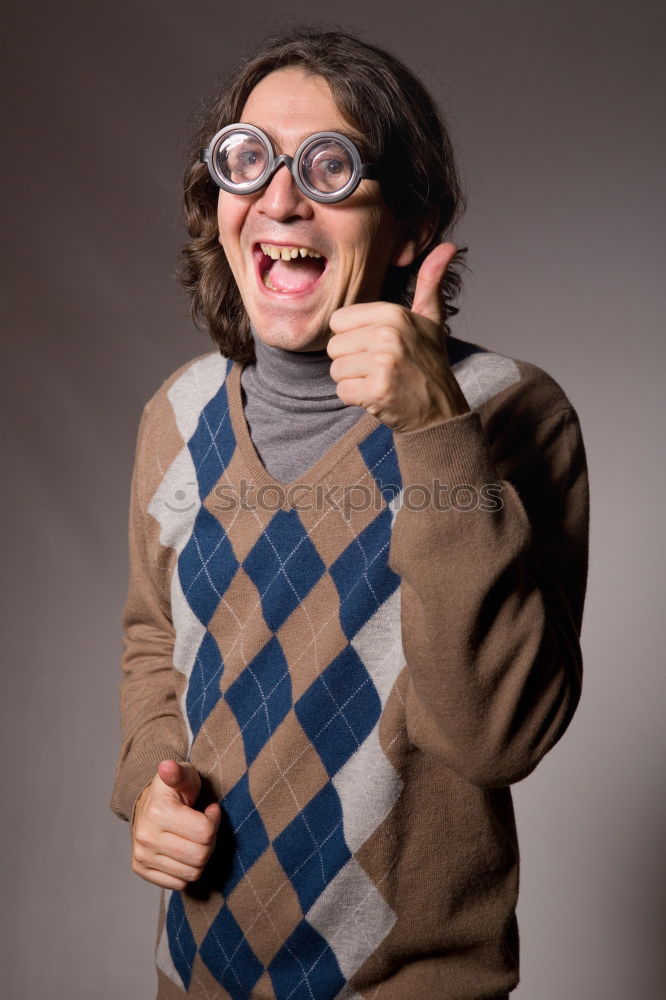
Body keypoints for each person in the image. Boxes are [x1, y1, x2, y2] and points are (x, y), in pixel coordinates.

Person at [111, 27, 589, 1000]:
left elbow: (497, 734)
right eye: (248, 161)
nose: (281, 196)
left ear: (411, 225)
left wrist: (433, 428)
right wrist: (149, 779)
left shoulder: (505, 412)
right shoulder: (177, 413)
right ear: (220, 206)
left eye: (329, 165)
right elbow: (155, 643)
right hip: (197, 975)